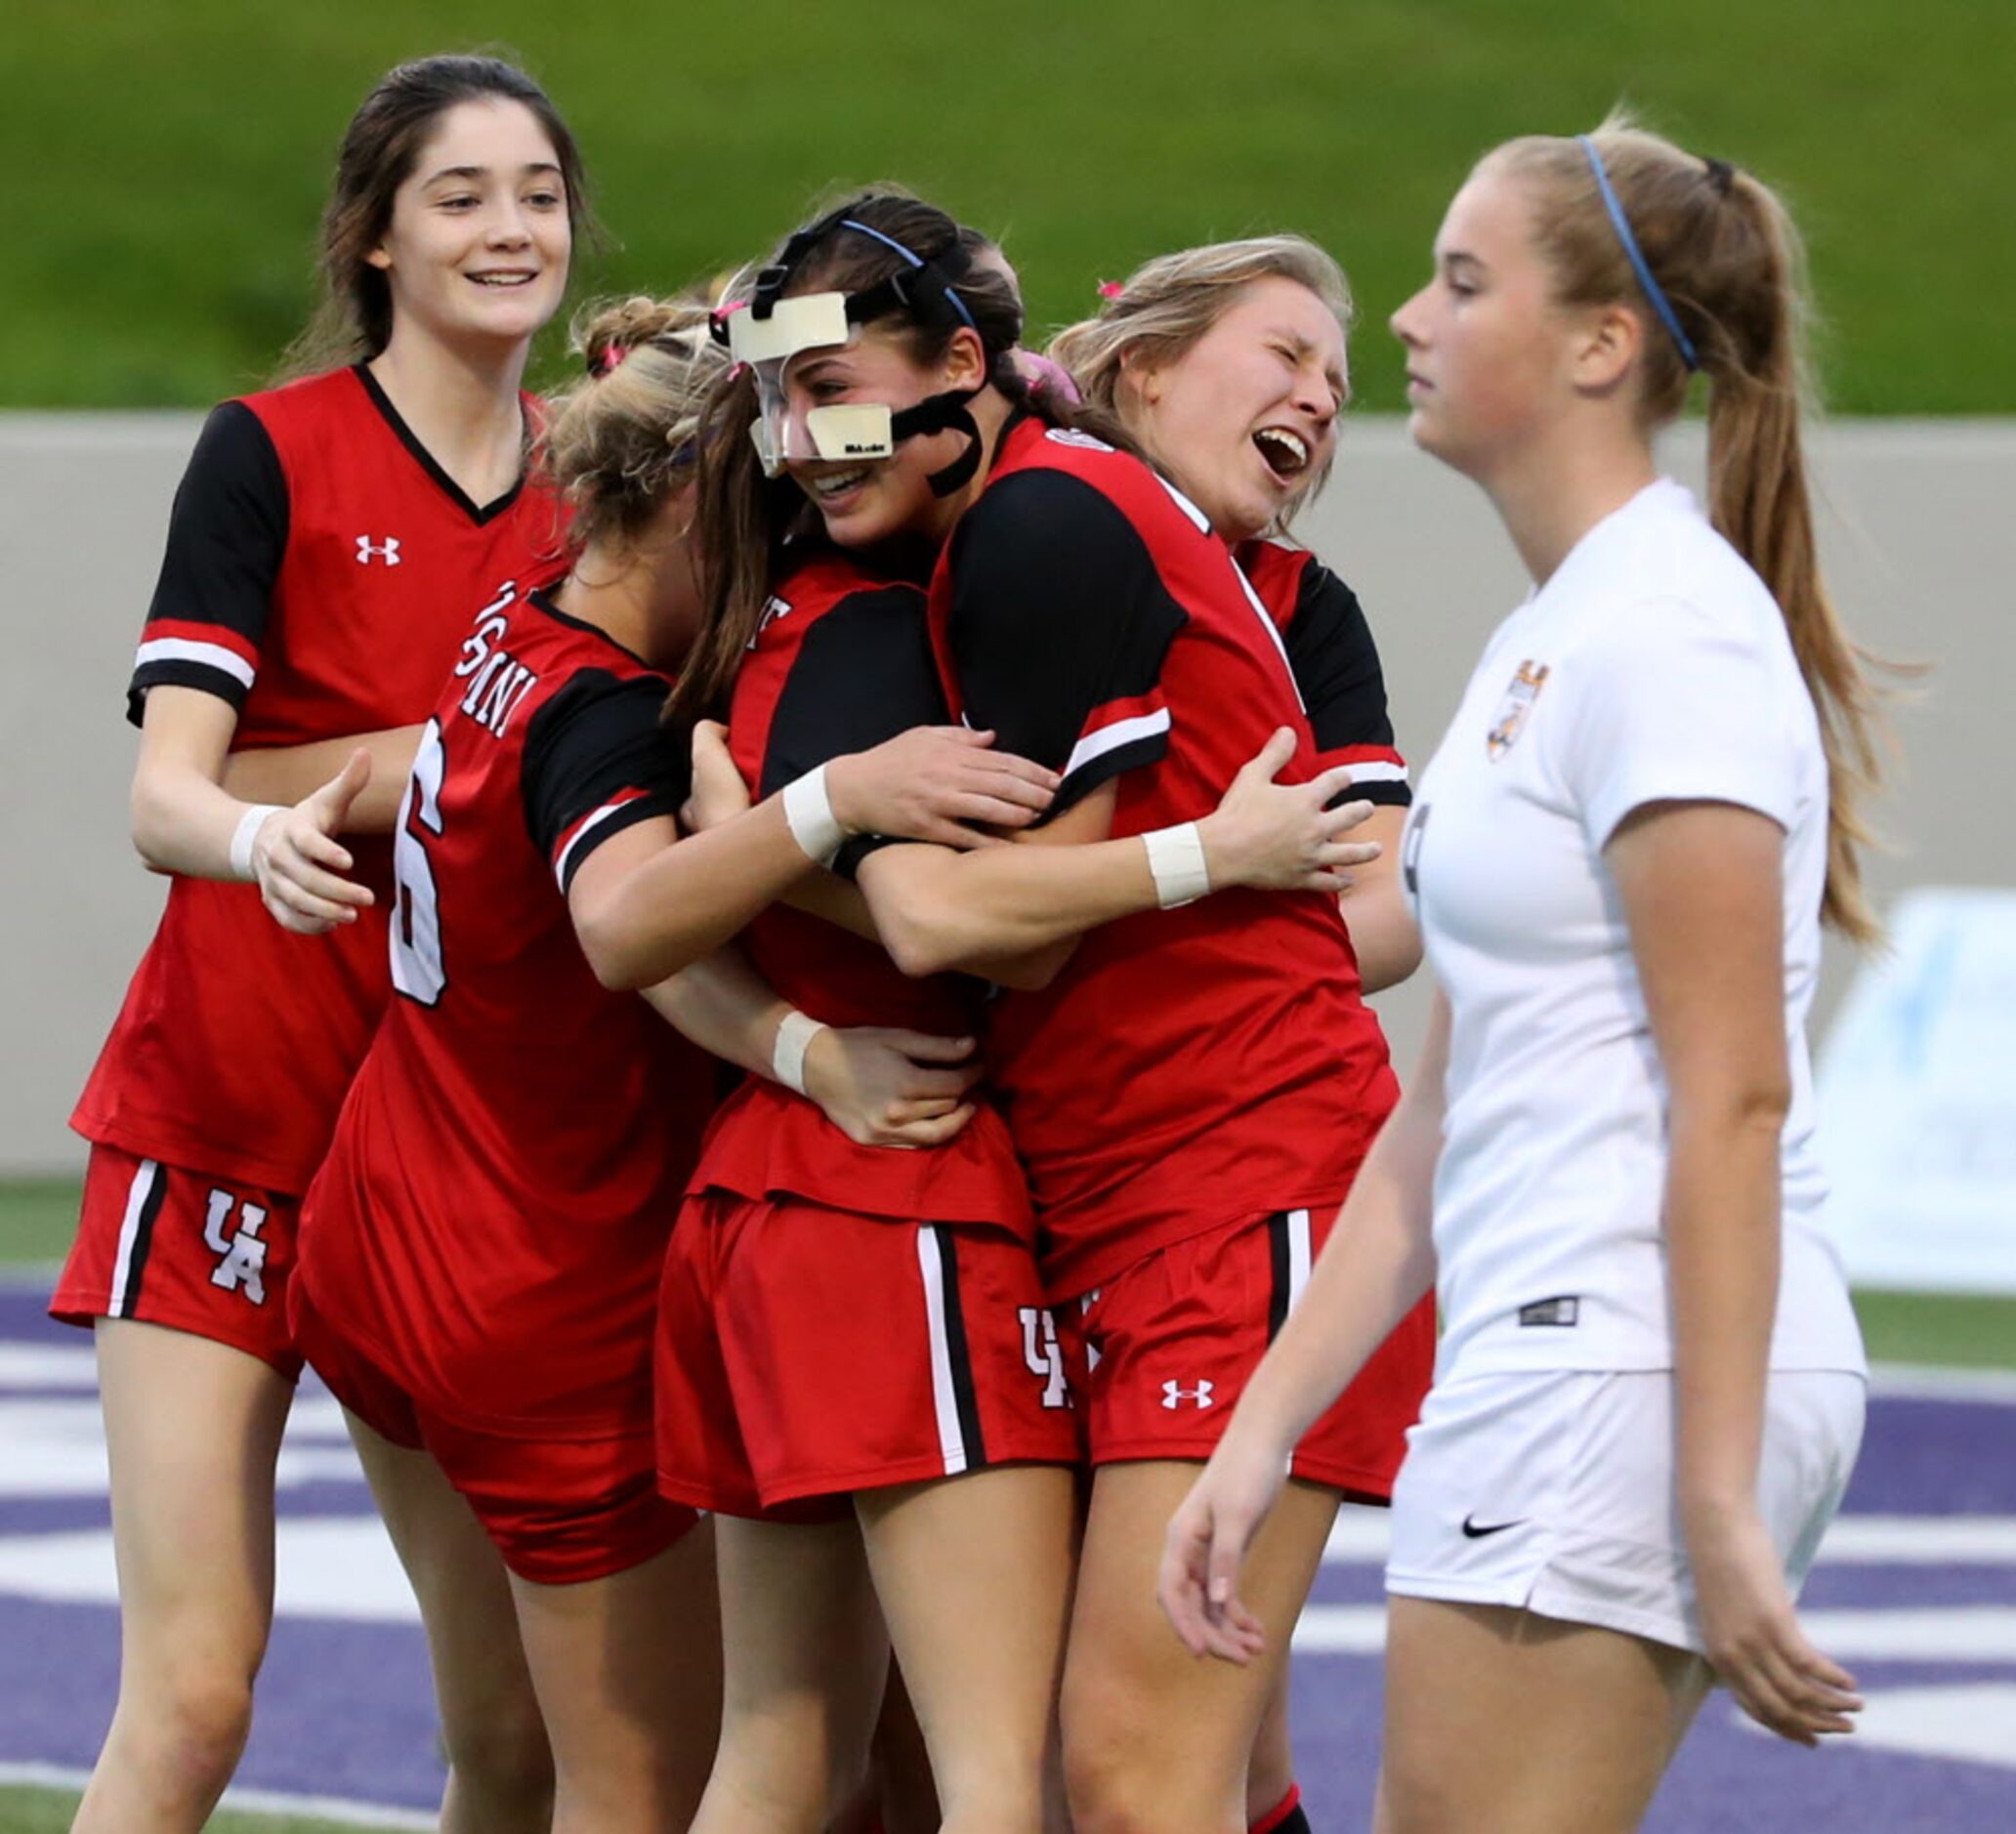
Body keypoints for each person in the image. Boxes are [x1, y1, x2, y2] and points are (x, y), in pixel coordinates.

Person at [1161, 114, 1884, 1834]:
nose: (1406, 318)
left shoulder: (1664, 635)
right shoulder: (1560, 630)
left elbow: (1732, 1089)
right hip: (1576, 1357)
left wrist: (1708, 1486)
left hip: (1618, 1365)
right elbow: (1443, 1096)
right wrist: (1261, 1427)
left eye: (1460, 279)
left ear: (1598, 346)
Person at [683, 188, 1423, 1834]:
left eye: (833, 390)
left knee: (1133, 1772)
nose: (802, 441)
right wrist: (778, 849)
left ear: (965, 360)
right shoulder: (974, 535)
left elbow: (964, 929)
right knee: (1138, 1769)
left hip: (1237, 1177)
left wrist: (1193, 856)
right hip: (1127, 1187)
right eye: (777, 402)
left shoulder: (1040, 524)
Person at [284, 293, 1039, 1834]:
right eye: (775, 511)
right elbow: (626, 921)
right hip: (531, 1282)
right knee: (641, 1790)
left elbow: (631, 940)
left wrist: (796, 1043)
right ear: (696, 502)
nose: (802, 551)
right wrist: (823, 800)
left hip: (385, 1219)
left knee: (503, 1757)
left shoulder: (536, 596)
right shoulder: (611, 710)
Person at [50, 55, 589, 1834]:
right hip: (230, 1129)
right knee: (196, 1695)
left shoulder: (602, 498)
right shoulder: (270, 450)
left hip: (440, 1176)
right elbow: (164, 796)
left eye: (535, 190)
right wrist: (288, 821)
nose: (509, 226)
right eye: (461, 193)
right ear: (372, 237)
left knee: (514, 1732)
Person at [1046, 233, 1439, 1834]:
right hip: (1068, 1194)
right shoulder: (1008, 548)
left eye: (1336, 385)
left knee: (1135, 1769)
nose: (1319, 400)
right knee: (1198, 1758)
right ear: (1142, 370)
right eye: (1281, 355)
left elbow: (1391, 912)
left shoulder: (1295, 604)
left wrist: (1177, 898)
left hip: (1248, 1182)